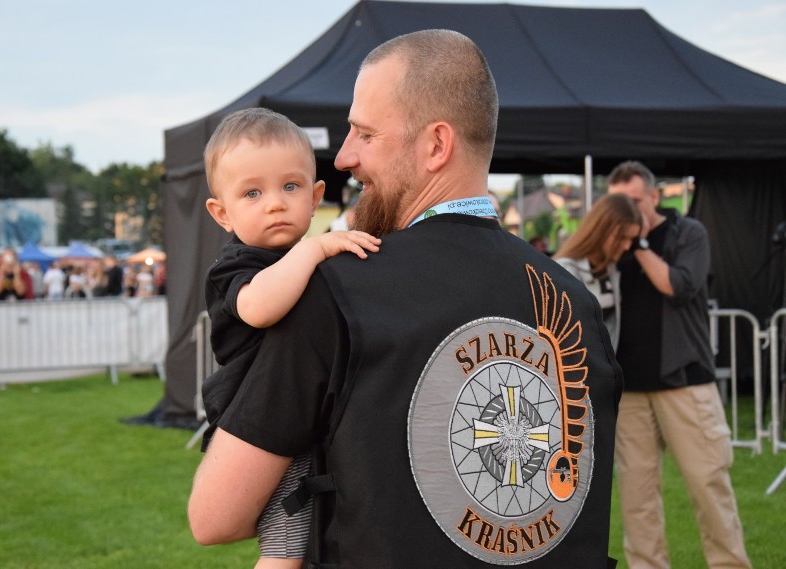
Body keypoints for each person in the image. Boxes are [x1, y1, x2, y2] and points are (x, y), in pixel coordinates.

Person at [189, 30, 623, 568]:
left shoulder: (333, 291)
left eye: (364, 134)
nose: (343, 157)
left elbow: (215, 516)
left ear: (436, 145)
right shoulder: (576, 302)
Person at [198, 107, 380, 569]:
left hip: (304, 415)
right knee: (287, 544)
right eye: (252, 192)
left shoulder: (302, 260)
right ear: (222, 213)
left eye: (291, 187)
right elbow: (259, 307)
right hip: (258, 422)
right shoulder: (235, 268)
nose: (275, 203)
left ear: (316, 195)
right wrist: (316, 247)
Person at [608, 161, 751, 568]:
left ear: (654, 196)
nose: (626, 210)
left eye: (633, 201)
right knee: (637, 500)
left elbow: (678, 287)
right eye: (617, 203)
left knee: (709, 487)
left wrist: (639, 245)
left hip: (685, 382)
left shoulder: (689, 233)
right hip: (632, 389)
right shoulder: (613, 243)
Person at [553, 193, 642, 351]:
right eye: (621, 237)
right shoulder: (565, 270)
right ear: (601, 229)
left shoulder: (611, 267)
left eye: (631, 239)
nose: (627, 246)